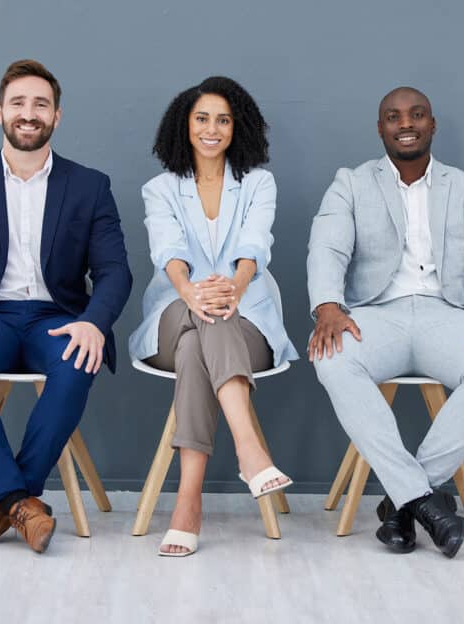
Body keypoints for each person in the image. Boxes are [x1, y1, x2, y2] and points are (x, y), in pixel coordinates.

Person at [0, 59, 132, 554]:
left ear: (58, 116)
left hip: (58, 320)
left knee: (79, 359)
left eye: (40, 104)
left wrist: (94, 323)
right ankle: (22, 503)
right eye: (18, 103)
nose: (28, 113)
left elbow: (114, 271)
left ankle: (1, 504)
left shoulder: (90, 185)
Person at [307, 87, 464, 558]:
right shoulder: (350, 182)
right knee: (333, 358)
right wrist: (327, 306)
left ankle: (405, 503)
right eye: (393, 116)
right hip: (373, 314)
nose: (406, 123)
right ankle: (426, 500)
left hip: (449, 314)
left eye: (417, 114)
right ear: (380, 127)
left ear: (432, 124)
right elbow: (327, 246)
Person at [128, 76, 298, 557]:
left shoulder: (258, 183)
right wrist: (190, 292)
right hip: (173, 311)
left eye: (223, 120)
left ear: (236, 128)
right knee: (202, 316)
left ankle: (187, 503)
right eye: (202, 118)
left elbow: (254, 245)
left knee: (198, 343)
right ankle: (249, 449)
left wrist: (235, 288)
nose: (212, 128)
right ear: (185, 125)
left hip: (247, 320)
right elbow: (168, 250)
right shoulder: (160, 189)